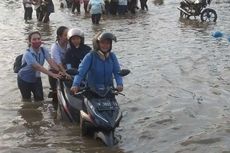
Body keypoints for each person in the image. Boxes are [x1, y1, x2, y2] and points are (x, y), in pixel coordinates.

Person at [17, 31, 62, 101]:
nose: (37, 41)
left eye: (38, 39)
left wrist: (60, 71)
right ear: (29, 42)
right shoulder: (27, 54)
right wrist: (53, 74)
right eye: (34, 39)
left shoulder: (44, 50)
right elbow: (38, 67)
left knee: (40, 100)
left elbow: (51, 62)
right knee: (27, 100)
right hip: (24, 80)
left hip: (36, 78)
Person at [49, 26, 70, 100]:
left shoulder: (69, 44)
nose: (68, 37)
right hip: (55, 69)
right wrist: (65, 72)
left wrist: (68, 71)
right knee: (55, 92)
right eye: (65, 35)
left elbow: (71, 59)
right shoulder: (55, 47)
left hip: (65, 67)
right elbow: (58, 62)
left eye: (68, 35)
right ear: (59, 36)